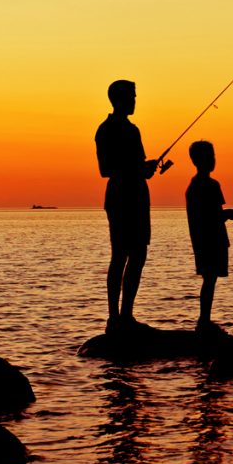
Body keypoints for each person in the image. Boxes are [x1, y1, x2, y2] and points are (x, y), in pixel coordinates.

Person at [95, 79, 158, 333]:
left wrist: (147, 169)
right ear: (119, 99)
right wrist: (139, 169)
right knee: (120, 255)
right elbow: (105, 170)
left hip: (138, 195)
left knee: (138, 255)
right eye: (131, 96)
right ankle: (114, 318)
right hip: (121, 196)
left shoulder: (134, 130)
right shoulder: (106, 130)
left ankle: (126, 315)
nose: (135, 100)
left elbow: (139, 168)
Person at [185, 140, 233, 333]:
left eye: (213, 156)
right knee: (210, 279)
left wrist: (225, 214)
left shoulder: (194, 185)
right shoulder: (210, 185)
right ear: (200, 160)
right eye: (210, 156)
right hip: (211, 239)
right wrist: (227, 215)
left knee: (209, 279)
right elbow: (212, 215)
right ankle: (203, 321)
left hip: (203, 239)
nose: (213, 160)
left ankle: (204, 319)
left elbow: (211, 213)